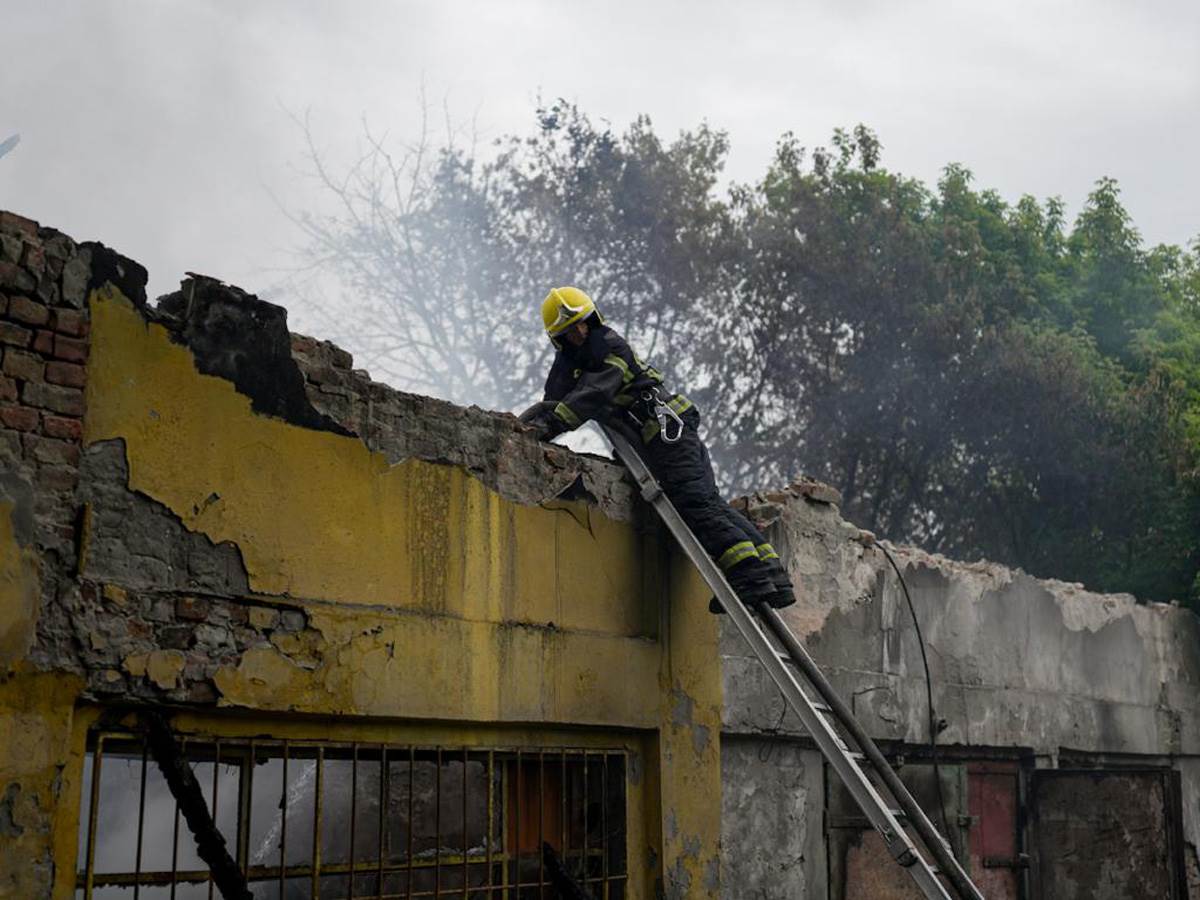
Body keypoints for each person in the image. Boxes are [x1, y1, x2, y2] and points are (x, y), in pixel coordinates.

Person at [521, 286, 795, 612]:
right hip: (672, 432)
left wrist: (549, 425)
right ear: (560, 340)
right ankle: (772, 575)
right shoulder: (578, 361)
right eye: (570, 331)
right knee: (709, 501)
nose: (580, 332)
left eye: (583, 324)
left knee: (692, 502)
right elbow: (556, 396)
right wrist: (540, 417)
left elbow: (590, 396)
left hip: (666, 432)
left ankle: (749, 576)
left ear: (594, 320)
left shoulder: (610, 347)